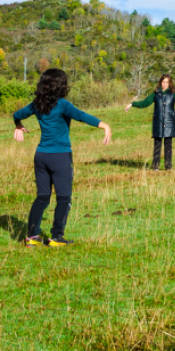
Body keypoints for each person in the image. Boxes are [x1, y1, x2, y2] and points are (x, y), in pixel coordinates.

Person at [13, 68, 112, 247]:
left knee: (42, 197)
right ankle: (56, 237)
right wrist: (104, 125)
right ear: (61, 86)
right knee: (64, 198)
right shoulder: (63, 104)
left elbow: (17, 115)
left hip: (41, 156)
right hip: (60, 157)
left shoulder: (36, 104)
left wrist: (18, 125)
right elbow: (81, 116)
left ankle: (32, 237)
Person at [125, 74, 175, 170]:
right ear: (160, 82)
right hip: (158, 123)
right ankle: (155, 166)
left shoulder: (173, 93)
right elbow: (145, 103)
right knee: (157, 146)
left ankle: (168, 167)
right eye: (163, 82)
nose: (164, 84)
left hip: (169, 123)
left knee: (168, 146)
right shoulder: (155, 94)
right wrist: (132, 104)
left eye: (166, 82)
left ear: (169, 83)